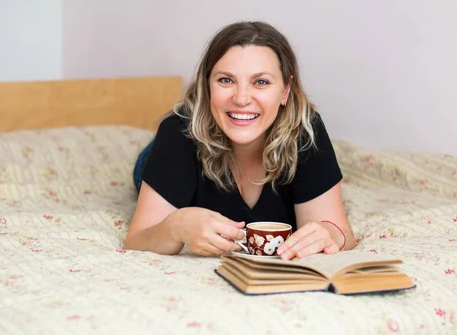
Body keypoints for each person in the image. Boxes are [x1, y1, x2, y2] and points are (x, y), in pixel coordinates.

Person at [125, 21, 355, 260]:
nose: (242, 98)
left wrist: (330, 233)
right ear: (207, 85)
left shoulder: (306, 130)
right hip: (182, 141)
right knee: (154, 159)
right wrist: (176, 224)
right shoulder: (177, 132)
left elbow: (340, 232)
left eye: (261, 82)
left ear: (286, 91)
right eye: (226, 80)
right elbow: (137, 239)